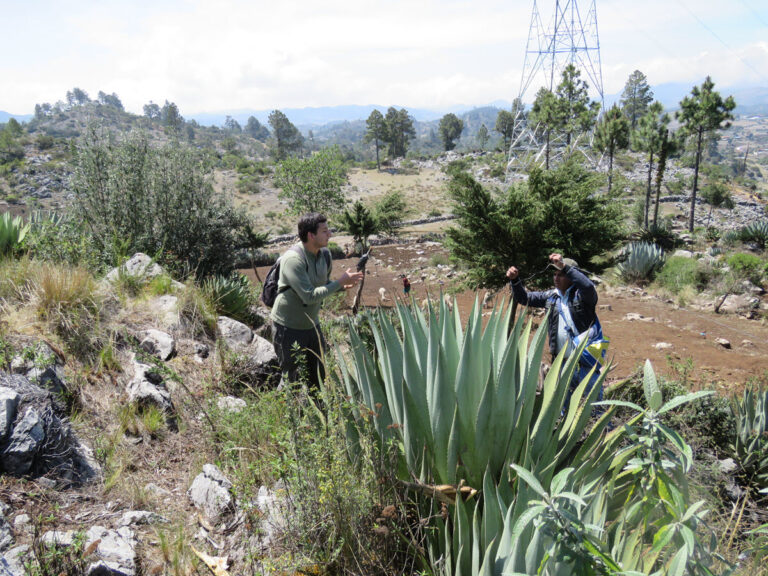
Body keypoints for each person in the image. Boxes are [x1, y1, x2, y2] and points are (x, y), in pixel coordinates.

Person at [270, 213, 363, 390]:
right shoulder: (293, 259)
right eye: (325, 231)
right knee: (291, 379)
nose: (329, 234)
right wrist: (339, 282)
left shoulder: (325, 255)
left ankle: (318, 413)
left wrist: (342, 286)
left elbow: (324, 285)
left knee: (318, 376)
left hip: (312, 326)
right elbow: (309, 295)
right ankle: (286, 415)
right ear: (311, 235)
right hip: (288, 327)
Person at [506, 253, 607, 410]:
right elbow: (524, 298)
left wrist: (565, 267)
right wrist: (514, 280)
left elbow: (587, 286)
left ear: (572, 276)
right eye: (554, 274)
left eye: (561, 274)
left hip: (585, 364)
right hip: (561, 364)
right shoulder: (550, 297)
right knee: (561, 410)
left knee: (593, 409)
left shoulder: (583, 297)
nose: (556, 278)